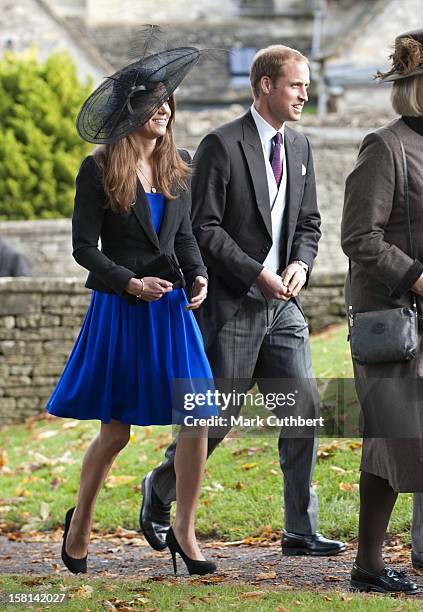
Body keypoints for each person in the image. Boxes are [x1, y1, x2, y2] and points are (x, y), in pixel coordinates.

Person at [140, 44, 345, 558]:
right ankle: (159, 489)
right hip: (234, 305)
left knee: (303, 410)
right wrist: (257, 273)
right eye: (296, 85)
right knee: (215, 421)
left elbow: (309, 224)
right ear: (265, 86)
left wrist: (299, 264)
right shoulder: (221, 144)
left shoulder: (299, 147)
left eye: (305, 85)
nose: (305, 93)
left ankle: (300, 527)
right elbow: (201, 228)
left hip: (284, 308)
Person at [47, 35, 218, 577]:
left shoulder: (178, 166)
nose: (165, 109)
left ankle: (185, 533)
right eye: (154, 102)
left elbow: (184, 236)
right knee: (116, 431)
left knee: (196, 419)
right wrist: (128, 283)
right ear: (131, 112)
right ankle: (79, 527)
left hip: (172, 314)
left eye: (169, 101)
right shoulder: (97, 170)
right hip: (123, 313)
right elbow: (83, 249)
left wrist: (199, 275)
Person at [341, 29, 423, 594]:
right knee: (390, 439)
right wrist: (416, 276)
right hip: (391, 321)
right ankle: (368, 564)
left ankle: (373, 564)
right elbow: (358, 236)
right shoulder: (385, 146)